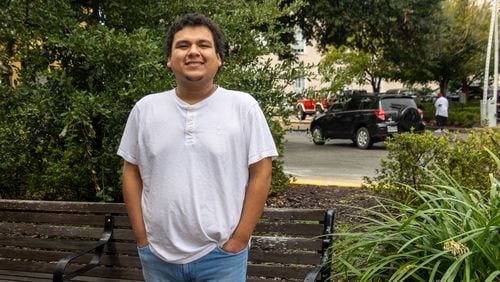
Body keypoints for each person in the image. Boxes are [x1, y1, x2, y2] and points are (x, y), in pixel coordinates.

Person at [117, 13, 278, 281]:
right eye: (183, 45)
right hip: (157, 256)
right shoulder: (145, 109)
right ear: (169, 59)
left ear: (219, 58)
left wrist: (239, 240)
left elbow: (261, 173)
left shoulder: (243, 107)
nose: (193, 52)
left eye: (204, 45)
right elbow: (131, 171)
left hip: (222, 257)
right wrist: (142, 237)